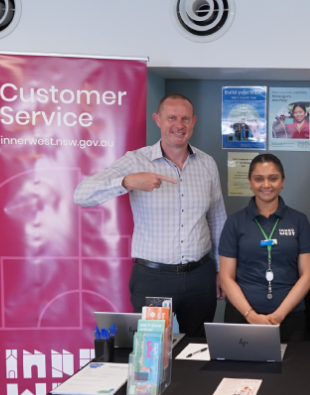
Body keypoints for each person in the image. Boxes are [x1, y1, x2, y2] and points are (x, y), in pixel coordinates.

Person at [74, 93, 226, 337]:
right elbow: (81, 195)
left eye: (185, 118)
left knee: (198, 352)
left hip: (200, 277)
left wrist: (221, 271)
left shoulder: (207, 164)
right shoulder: (136, 161)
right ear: (157, 119)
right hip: (153, 279)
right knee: (151, 354)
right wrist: (127, 181)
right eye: (172, 117)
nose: (179, 125)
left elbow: (218, 220)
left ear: (194, 121)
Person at [218, 154, 310, 342]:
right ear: (250, 182)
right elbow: (226, 277)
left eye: (273, 178)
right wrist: (251, 315)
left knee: (290, 371)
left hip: (289, 318)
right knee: (239, 371)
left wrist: (279, 315)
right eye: (259, 179)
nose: (266, 185)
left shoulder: (299, 221)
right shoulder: (234, 222)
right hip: (242, 316)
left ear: (283, 181)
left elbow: (307, 276)